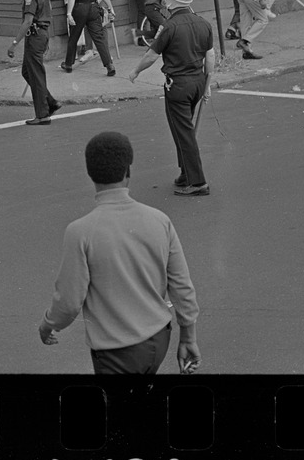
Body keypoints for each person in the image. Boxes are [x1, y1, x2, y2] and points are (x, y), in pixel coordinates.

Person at [38, 131, 201, 375]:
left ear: (90, 174)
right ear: (129, 171)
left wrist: (48, 324)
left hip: (115, 351)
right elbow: (182, 286)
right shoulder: (160, 221)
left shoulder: (80, 232)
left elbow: (69, 302)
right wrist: (188, 336)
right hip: (159, 338)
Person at [128, 0, 214, 196]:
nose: (164, 1)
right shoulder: (204, 23)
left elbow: (151, 56)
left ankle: (197, 182)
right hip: (197, 81)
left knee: (183, 133)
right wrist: (207, 85)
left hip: (178, 85)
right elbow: (210, 56)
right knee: (182, 130)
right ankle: (186, 173)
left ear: (174, 1)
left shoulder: (169, 27)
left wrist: (136, 71)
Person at [6, 0, 62, 126]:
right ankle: (50, 101)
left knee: (36, 75)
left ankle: (43, 114)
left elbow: (27, 21)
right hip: (41, 35)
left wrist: (14, 43)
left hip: (35, 36)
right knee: (27, 71)